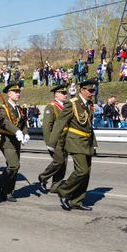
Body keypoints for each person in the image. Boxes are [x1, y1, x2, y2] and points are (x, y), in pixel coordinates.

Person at [47, 78, 98, 211]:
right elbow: (60, 122)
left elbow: (89, 126)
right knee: (82, 170)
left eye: (94, 90)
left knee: (87, 173)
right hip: (75, 141)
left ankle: (77, 200)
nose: (93, 92)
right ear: (82, 90)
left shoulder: (88, 104)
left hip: (87, 142)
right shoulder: (72, 103)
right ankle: (64, 191)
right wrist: (51, 142)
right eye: (90, 90)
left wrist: (94, 143)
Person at [0, 81, 29, 202]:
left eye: (19, 92)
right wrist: (16, 131)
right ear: (9, 94)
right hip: (7, 140)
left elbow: (24, 122)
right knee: (14, 164)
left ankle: (8, 191)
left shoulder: (20, 109)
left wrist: (25, 133)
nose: (18, 94)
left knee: (14, 167)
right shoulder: (3, 107)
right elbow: (5, 122)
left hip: (17, 141)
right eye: (15, 92)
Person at [38, 83, 69, 193]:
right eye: (63, 93)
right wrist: (49, 143)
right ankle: (43, 177)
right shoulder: (51, 107)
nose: (66, 95)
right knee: (58, 161)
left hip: (66, 139)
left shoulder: (66, 106)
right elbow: (47, 126)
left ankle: (55, 186)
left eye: (66, 93)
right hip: (56, 140)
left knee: (63, 164)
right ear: (56, 94)